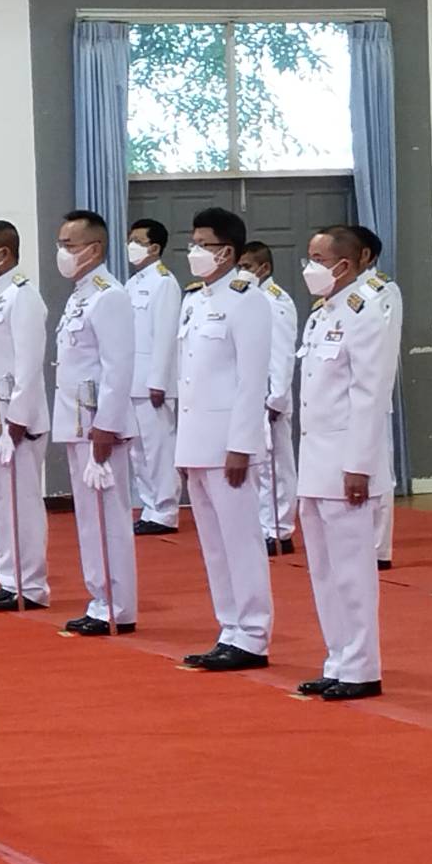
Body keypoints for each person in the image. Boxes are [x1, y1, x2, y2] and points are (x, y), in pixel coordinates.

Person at [294, 226, 394, 700]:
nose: (310, 267)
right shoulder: (322, 314)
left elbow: (369, 394)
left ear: (346, 264)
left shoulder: (365, 311)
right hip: (315, 460)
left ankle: (361, 666)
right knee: (324, 572)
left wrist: (359, 465)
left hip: (345, 463)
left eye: (318, 258)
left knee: (352, 573)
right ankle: (337, 658)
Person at [175, 208, 274, 671]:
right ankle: (229, 627)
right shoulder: (194, 299)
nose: (194, 252)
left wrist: (242, 445)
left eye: (203, 245)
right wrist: (183, 447)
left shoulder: (247, 300)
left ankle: (253, 633)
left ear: (227, 252)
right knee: (214, 545)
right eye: (192, 243)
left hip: (228, 444)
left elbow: (252, 380)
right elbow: (189, 377)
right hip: (197, 441)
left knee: (240, 541)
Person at [53, 210, 139, 635]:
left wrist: (107, 424)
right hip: (77, 420)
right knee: (89, 518)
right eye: (61, 245)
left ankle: (117, 605)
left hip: (98, 424)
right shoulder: (81, 294)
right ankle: (99, 598)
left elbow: (118, 366)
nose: (62, 252)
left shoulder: (109, 295)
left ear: (95, 249)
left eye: (69, 245)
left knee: (108, 517)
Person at [0, 220, 50, 612]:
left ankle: (30, 584)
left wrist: (19, 418)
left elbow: (29, 363)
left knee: (22, 504)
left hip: (17, 421)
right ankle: (10, 578)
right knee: (2, 503)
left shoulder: (23, 296)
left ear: (4, 252)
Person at [238, 240, 299, 556]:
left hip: (270, 396)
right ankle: (262, 526)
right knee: (257, 466)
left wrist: (276, 397)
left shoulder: (276, 301)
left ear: (264, 268)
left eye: (247, 266)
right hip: (250, 394)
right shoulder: (248, 298)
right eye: (239, 266)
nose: (242, 271)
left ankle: (279, 531)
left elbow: (282, 353)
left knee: (275, 467)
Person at [125, 219, 182, 536]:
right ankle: (149, 506)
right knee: (139, 449)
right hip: (132, 379)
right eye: (130, 240)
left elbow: (165, 335)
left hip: (152, 382)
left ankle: (166, 509)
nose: (131, 245)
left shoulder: (164, 283)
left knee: (158, 448)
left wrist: (158, 380)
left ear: (155, 247)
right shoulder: (133, 283)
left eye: (138, 240)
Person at [351, 225, 403, 570]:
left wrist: (377, 396)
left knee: (378, 470)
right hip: (342, 400)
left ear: (365, 255)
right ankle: (354, 541)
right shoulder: (339, 294)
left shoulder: (382, 291)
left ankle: (378, 547)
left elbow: (385, 349)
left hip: (372, 395)